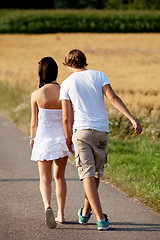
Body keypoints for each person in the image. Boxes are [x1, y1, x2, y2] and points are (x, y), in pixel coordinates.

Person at [59, 49, 142, 231]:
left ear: (67, 64)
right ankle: (86, 212)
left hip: (81, 132)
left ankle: (100, 218)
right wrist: (131, 118)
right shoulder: (99, 75)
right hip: (101, 132)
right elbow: (112, 97)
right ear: (84, 61)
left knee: (87, 174)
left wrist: (67, 138)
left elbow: (67, 117)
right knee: (96, 172)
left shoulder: (66, 84)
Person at [30, 57, 72, 229]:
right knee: (60, 177)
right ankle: (61, 214)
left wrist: (32, 138)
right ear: (56, 72)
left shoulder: (36, 94)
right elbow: (69, 118)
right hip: (61, 140)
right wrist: (70, 138)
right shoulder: (64, 91)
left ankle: (48, 206)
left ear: (41, 73)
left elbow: (34, 122)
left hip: (43, 139)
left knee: (45, 178)